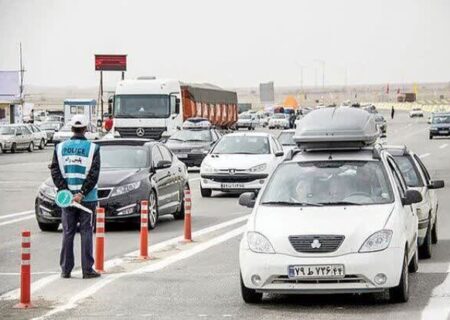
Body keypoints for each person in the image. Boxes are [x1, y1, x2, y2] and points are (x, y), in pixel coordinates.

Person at [50, 115, 101, 279]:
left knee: (68, 232)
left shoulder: (60, 148)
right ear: (86, 128)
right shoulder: (93, 148)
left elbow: (55, 172)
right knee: (86, 232)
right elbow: (94, 174)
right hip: (88, 199)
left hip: (67, 199)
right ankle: (87, 270)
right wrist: (81, 193)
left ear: (71, 128)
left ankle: (66, 269)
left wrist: (66, 191)